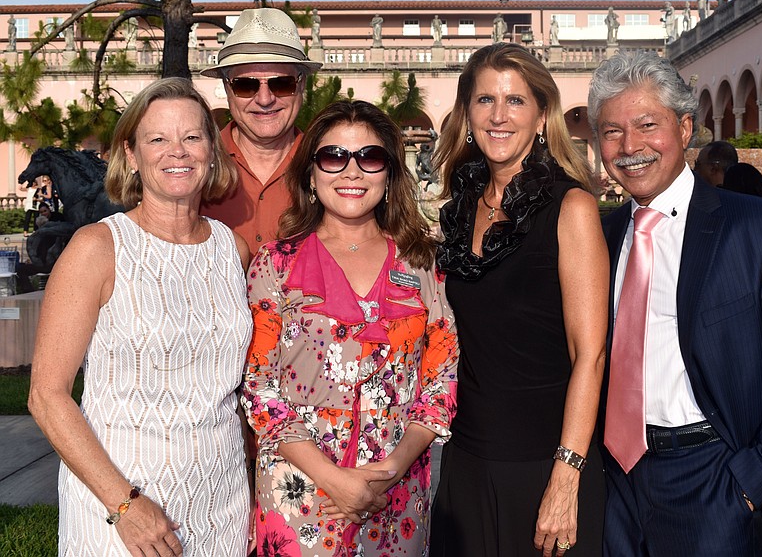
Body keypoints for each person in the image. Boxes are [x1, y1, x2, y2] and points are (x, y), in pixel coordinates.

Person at [588, 51, 762, 556]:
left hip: (715, 482)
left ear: (684, 129)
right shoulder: (600, 235)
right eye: (612, 131)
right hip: (615, 485)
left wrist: (748, 486)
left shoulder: (761, 228)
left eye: (646, 125)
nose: (629, 146)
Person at [29, 78, 255, 556]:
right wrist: (124, 505)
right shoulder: (97, 248)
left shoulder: (231, 250)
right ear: (131, 154)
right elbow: (47, 397)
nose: (178, 151)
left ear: (212, 151)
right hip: (121, 507)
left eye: (192, 137)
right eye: (157, 139)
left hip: (222, 503)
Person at [242, 100, 459, 556]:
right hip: (300, 495)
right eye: (334, 156)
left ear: (390, 173)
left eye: (370, 157)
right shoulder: (275, 266)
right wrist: (333, 480)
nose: (352, 171)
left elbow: (441, 382)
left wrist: (393, 468)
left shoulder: (421, 263)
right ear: (310, 173)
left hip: (394, 497)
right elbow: (260, 390)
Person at [430, 43, 608, 557]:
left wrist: (566, 476)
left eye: (515, 101)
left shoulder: (570, 207)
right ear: (467, 113)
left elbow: (590, 356)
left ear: (541, 115)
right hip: (466, 461)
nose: (499, 116)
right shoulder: (460, 208)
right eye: (485, 100)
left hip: (545, 464)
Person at [199, 7, 323, 256]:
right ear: (226, 87)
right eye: (245, 85)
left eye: (281, 83)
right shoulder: (195, 163)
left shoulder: (329, 166)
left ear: (302, 85)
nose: (265, 99)